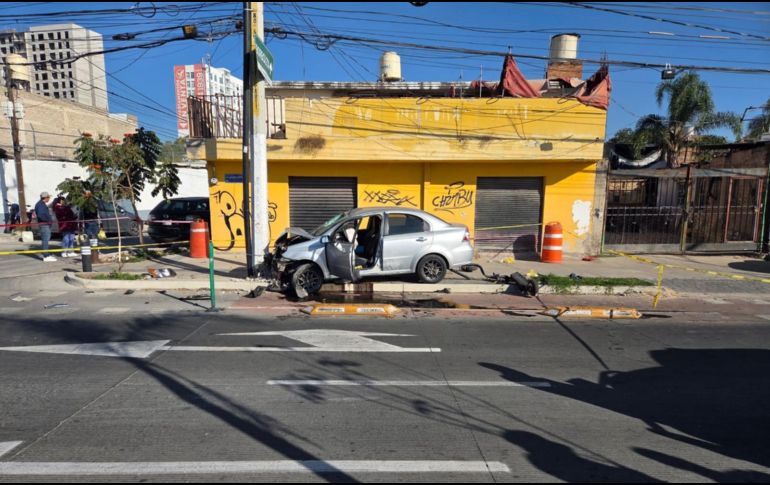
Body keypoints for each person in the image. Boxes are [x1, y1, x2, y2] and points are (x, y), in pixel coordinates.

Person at [34, 192, 55, 262]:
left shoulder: (41, 204)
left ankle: (47, 254)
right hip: (44, 224)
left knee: (46, 240)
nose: (49, 199)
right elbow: (41, 215)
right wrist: (48, 220)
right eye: (48, 197)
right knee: (45, 240)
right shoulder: (41, 205)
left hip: (44, 224)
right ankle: (46, 256)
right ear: (45, 197)